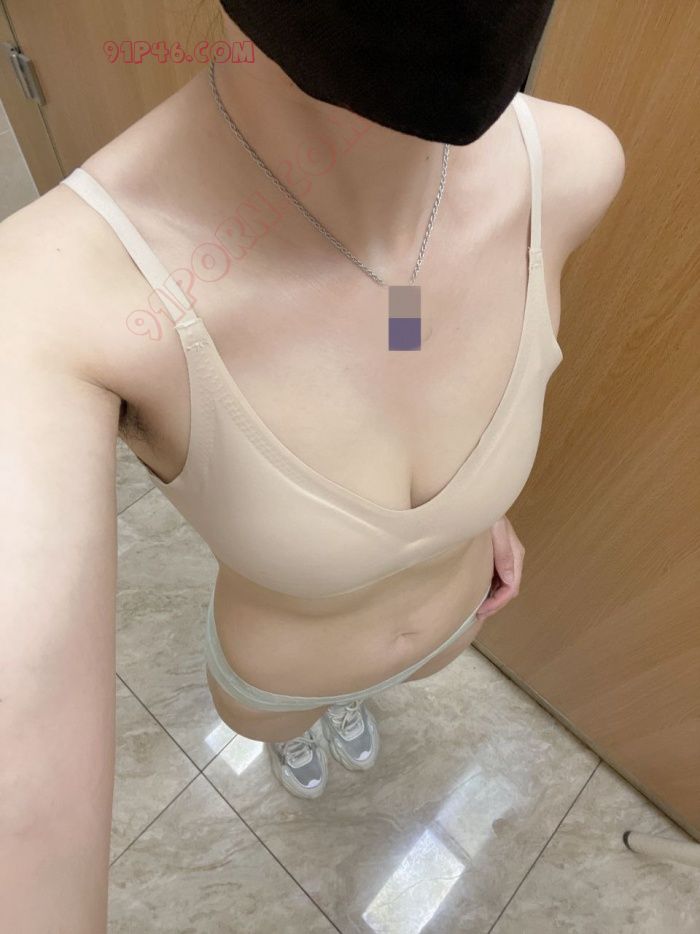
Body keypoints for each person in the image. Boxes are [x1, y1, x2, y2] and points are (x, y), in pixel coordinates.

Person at [0, 2, 625, 930]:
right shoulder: (52, 303)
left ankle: (353, 700)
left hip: (454, 627)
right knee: (298, 720)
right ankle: (305, 731)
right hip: (279, 680)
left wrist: (471, 505)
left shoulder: (571, 169)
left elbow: (419, 372)